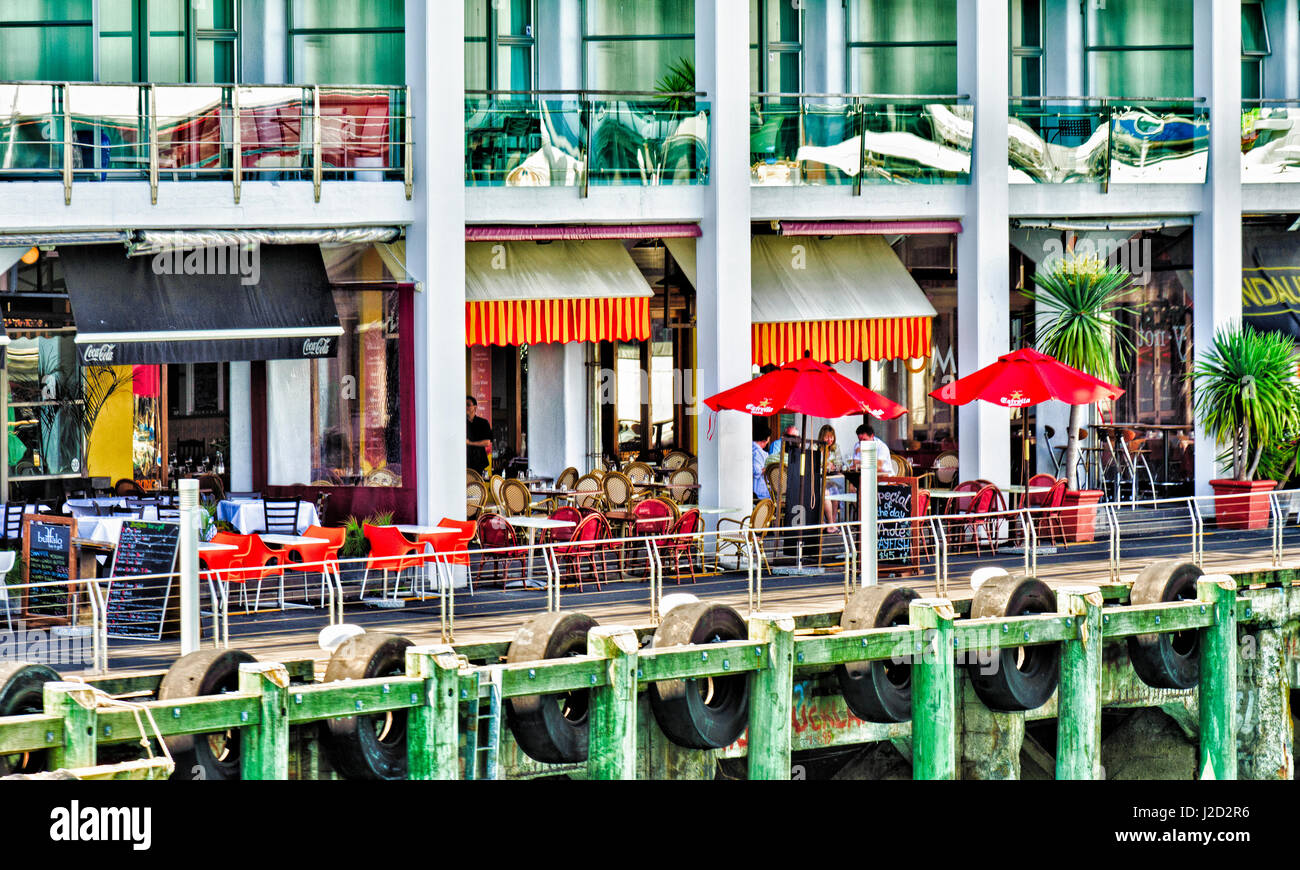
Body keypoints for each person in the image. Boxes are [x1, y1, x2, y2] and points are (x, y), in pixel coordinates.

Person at [819, 424, 845, 529]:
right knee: (827, 492)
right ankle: (830, 523)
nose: (830, 439)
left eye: (832, 436)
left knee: (835, 491)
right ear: (821, 437)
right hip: (819, 479)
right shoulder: (816, 447)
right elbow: (813, 465)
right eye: (827, 436)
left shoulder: (835, 448)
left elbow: (839, 464)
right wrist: (825, 464)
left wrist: (832, 466)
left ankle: (832, 522)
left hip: (832, 478)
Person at [466, 395, 493, 476]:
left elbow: (487, 442)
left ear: (475, 407)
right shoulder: (461, 423)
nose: (465, 407)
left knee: (476, 486)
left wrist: (470, 443)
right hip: (464, 459)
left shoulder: (483, 423)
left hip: (478, 460)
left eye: (468, 405)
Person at [753, 420, 773, 500]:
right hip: (759, 492)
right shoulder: (758, 452)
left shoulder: (749, 447)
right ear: (765, 440)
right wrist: (769, 468)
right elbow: (756, 471)